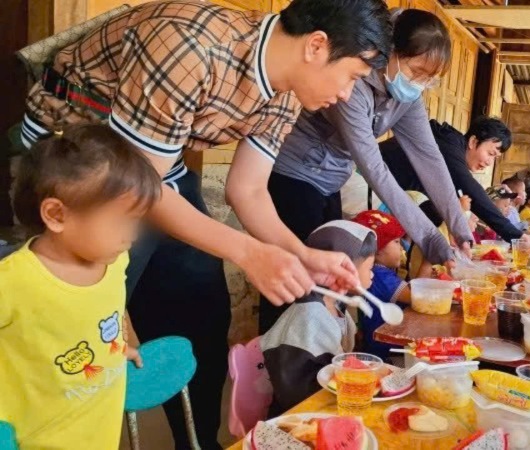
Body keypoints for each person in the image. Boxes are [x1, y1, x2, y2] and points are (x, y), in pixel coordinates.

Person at [20, 1, 391, 447]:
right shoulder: (189, 42)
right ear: (316, 45)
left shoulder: (287, 89)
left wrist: (302, 254)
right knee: (76, 323)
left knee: (202, 310)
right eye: (352, 75)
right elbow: (140, 191)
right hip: (69, 162)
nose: (349, 94)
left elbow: (248, 189)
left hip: (152, 167)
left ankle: (196, 443)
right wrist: (248, 252)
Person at [242, 8, 474, 332]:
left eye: (429, 79)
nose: (420, 84)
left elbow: (429, 157)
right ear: (391, 52)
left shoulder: (405, 96)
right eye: (416, 71)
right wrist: (429, 236)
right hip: (292, 175)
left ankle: (317, 362)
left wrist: (458, 226)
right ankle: (277, 363)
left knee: (330, 280)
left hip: (330, 181)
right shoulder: (353, 81)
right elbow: (374, 169)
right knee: (295, 282)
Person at [0, 125, 160, 448]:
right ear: (57, 214)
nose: (131, 235)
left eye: (136, 220)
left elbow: (110, 307)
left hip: (97, 432)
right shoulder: (14, 282)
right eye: (119, 221)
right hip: (34, 439)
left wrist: (115, 348)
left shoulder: (115, 260)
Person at [260, 221, 377, 417]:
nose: (373, 273)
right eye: (370, 267)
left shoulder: (337, 308)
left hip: (332, 405)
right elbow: (294, 392)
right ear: (345, 269)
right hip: (298, 417)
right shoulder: (309, 318)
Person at [380, 117, 526, 242]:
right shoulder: (449, 146)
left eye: (495, 158)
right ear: (473, 142)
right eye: (490, 153)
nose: (489, 162)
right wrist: (515, 235)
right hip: (364, 184)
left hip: (382, 192)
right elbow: (470, 188)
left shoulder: (451, 149)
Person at [352, 211, 410, 360]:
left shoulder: (378, 271)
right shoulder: (380, 275)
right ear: (377, 251)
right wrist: (428, 261)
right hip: (387, 351)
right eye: (396, 242)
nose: (402, 248)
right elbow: (417, 298)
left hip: (378, 345)